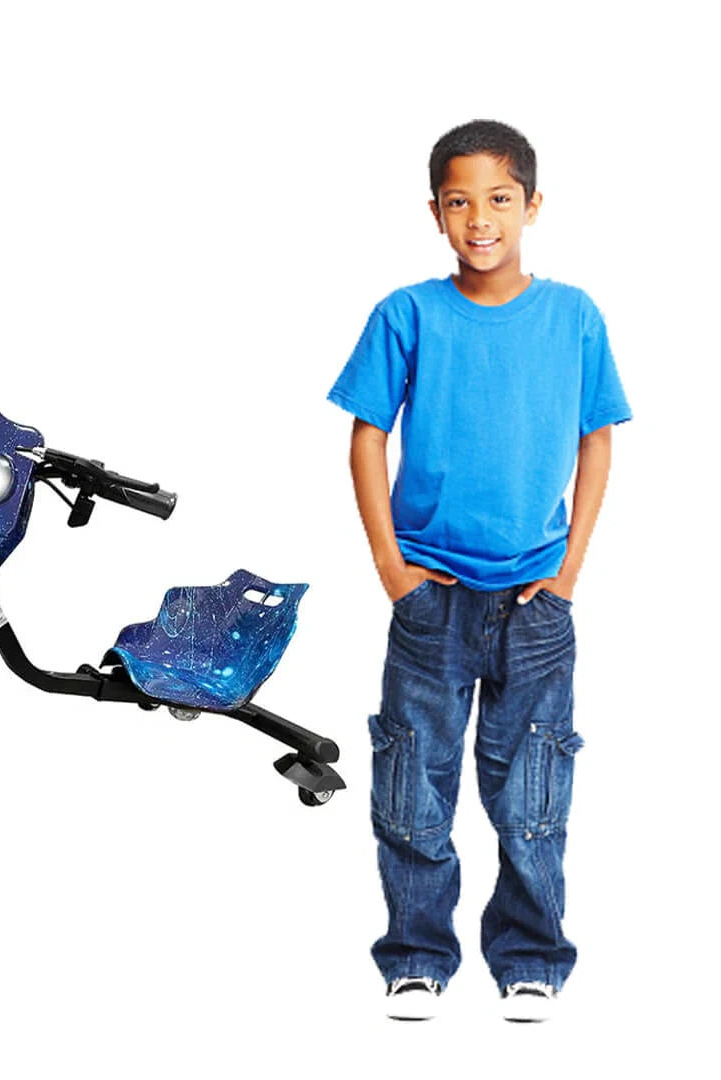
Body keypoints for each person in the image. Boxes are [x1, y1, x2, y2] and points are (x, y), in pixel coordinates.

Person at [325, 119, 633, 1023]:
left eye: (500, 199)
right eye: (460, 202)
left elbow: (596, 439)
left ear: (533, 206)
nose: (480, 219)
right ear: (436, 213)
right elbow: (367, 435)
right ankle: (416, 956)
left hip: (537, 599)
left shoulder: (574, 315)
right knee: (410, 781)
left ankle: (531, 958)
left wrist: (571, 571)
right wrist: (391, 567)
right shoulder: (408, 313)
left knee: (531, 787)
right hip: (432, 599)